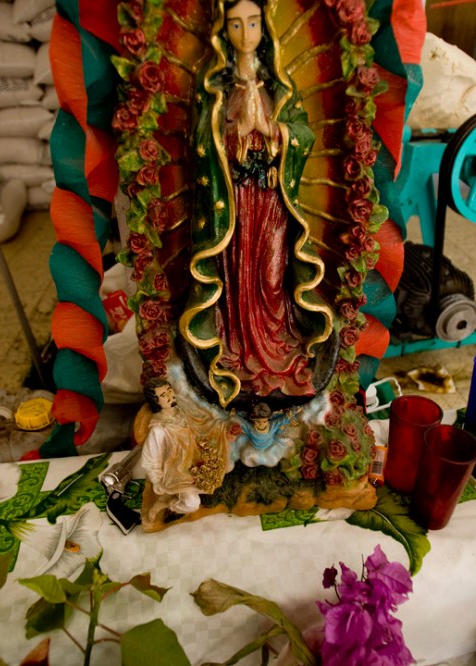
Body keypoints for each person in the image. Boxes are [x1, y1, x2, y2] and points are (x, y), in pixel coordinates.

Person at [178, 0, 334, 409]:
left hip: (271, 199)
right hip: (233, 204)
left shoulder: (278, 85)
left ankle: (275, 341)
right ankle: (238, 345)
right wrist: (231, 137)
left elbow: (302, 132)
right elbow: (200, 145)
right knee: (238, 277)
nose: (246, 33)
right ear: (223, 31)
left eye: (252, 23)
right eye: (235, 25)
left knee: (271, 274)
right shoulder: (216, 87)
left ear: (264, 28)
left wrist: (273, 130)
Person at [140, 378, 226, 522]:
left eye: (169, 391)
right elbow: (152, 458)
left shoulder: (185, 413)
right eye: (163, 396)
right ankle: (167, 504)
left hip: (197, 466)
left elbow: (204, 427)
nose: (169, 396)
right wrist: (157, 481)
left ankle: (173, 497)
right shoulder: (159, 429)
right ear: (155, 402)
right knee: (192, 504)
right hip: (177, 474)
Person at [232, 402, 297, 467]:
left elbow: (282, 420)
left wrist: (293, 412)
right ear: (253, 420)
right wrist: (232, 415)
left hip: (270, 448)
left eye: (264, 421)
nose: (261, 424)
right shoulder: (250, 428)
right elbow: (241, 422)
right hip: (253, 449)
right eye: (258, 421)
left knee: (273, 461)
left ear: (268, 420)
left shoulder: (272, 426)